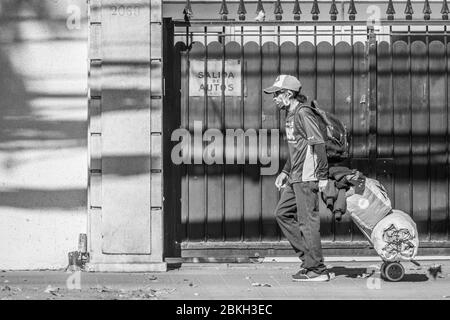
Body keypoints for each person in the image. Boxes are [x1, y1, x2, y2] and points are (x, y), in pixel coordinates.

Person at [264, 75, 330, 282]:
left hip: (307, 176)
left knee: (307, 223)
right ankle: (310, 262)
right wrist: (284, 172)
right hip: (295, 176)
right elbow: (297, 149)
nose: (274, 98)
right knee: (282, 214)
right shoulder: (290, 115)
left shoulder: (303, 114)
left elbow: (318, 144)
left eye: (276, 93)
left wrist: (322, 176)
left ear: (288, 94)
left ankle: (318, 270)